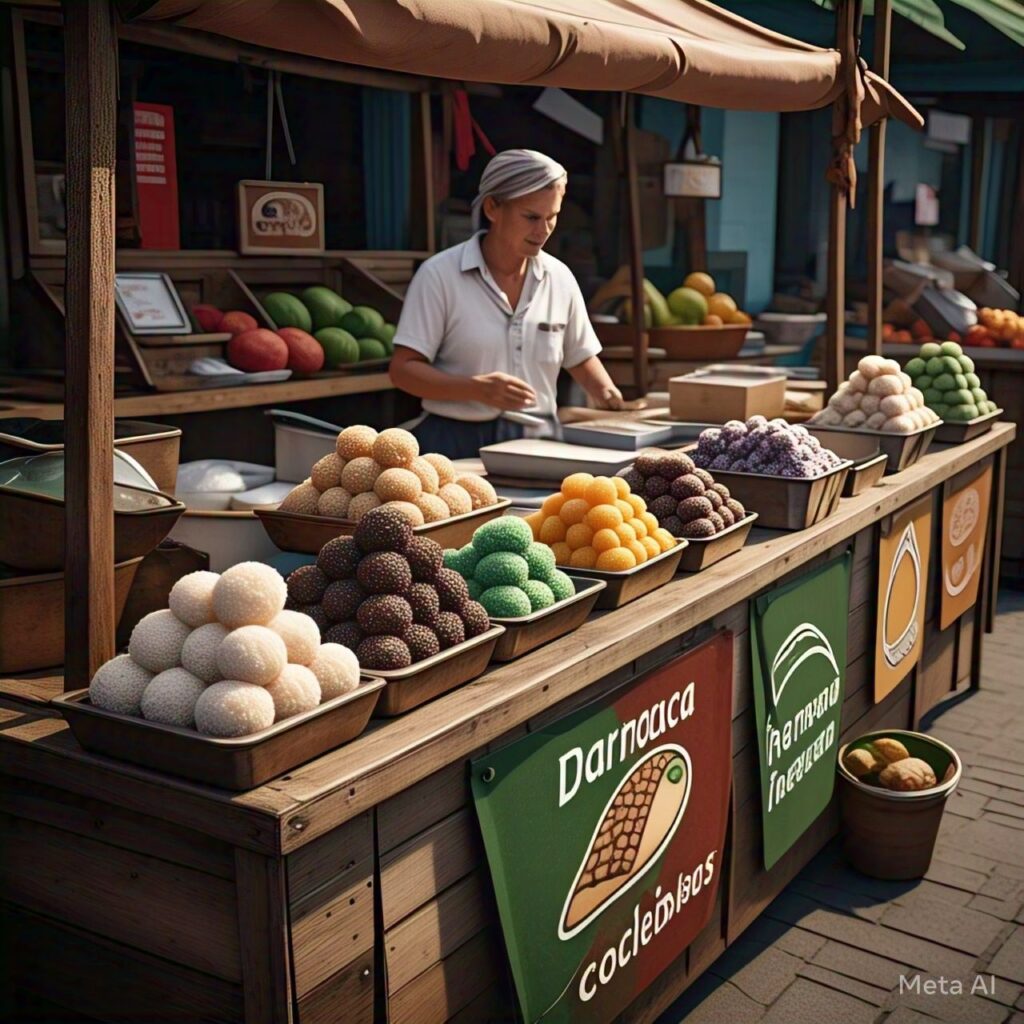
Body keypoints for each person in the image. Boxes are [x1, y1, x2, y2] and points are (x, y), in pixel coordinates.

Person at [389, 149, 623, 459]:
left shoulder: (559, 278)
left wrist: (607, 394)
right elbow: (403, 370)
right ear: (492, 208)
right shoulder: (439, 275)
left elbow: (578, 356)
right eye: (531, 217)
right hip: (453, 443)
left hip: (540, 444)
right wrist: (475, 389)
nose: (543, 230)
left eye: (552, 217)